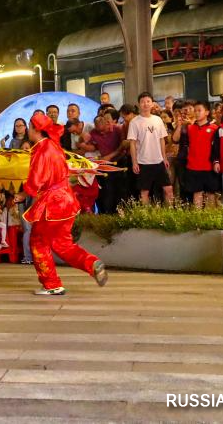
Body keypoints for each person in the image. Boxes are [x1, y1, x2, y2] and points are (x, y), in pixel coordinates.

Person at [23, 111, 107, 295]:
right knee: (63, 244)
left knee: (38, 241)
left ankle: (51, 284)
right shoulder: (55, 146)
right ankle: (92, 263)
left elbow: (36, 180)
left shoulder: (40, 149)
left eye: (29, 127)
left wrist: (23, 193)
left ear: (35, 129)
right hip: (67, 200)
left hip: (52, 203)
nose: (27, 131)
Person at [127, 92, 173, 206]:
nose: (145, 104)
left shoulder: (158, 120)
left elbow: (162, 139)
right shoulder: (134, 122)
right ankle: (146, 217)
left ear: (152, 104)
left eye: (148, 101)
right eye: (142, 102)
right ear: (139, 104)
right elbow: (132, 144)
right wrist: (134, 162)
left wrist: (164, 158)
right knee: (144, 192)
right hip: (143, 162)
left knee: (168, 189)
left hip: (159, 161)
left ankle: (170, 215)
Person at [178, 101, 218, 208]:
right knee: (197, 194)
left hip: (209, 167)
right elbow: (177, 141)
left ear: (207, 112)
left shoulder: (214, 128)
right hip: (193, 167)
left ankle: (211, 220)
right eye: (195, 110)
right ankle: (198, 220)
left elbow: (217, 149)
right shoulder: (189, 128)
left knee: (210, 194)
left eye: (199, 110)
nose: (196, 113)